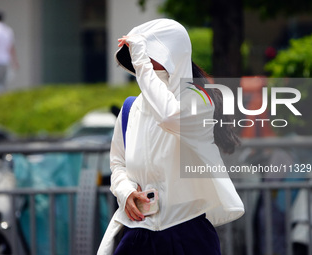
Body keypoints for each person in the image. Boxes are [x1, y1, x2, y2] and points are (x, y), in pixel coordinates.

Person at [97, 18, 244, 255]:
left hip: (188, 235)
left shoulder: (199, 101)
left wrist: (142, 65)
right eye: (138, 54)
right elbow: (117, 164)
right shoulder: (130, 109)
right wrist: (126, 193)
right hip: (138, 232)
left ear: (171, 55)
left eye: (148, 53)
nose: (141, 58)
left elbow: (168, 116)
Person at [0, 11, 18, 95]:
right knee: (1, 86)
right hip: (6, 61)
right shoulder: (8, 30)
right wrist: (15, 62)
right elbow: (11, 47)